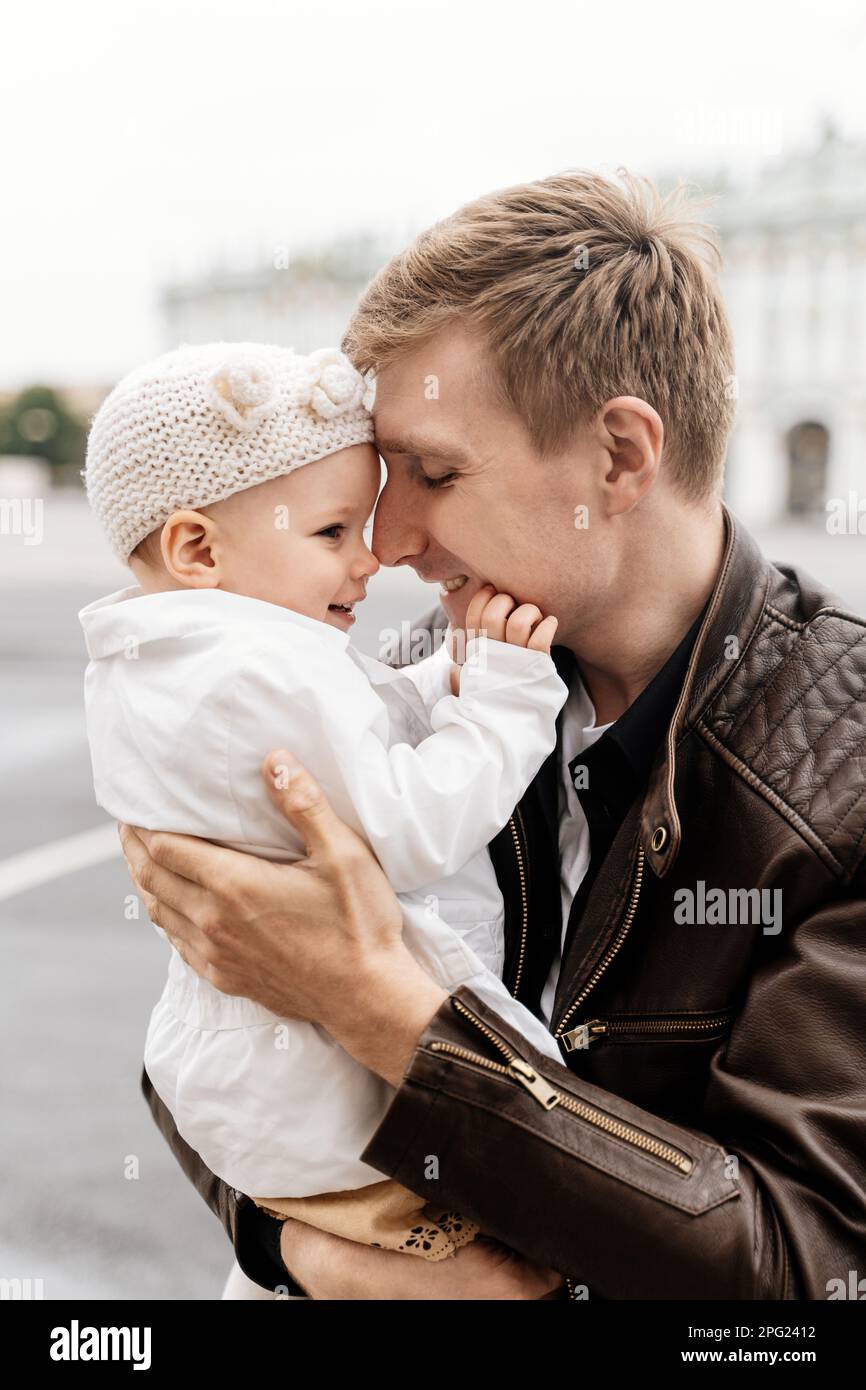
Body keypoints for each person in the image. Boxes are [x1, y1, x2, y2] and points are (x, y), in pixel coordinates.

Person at [122, 169, 866, 1300]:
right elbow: (216, 1032)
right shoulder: (431, 671)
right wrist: (300, 1249)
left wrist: (385, 1014)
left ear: (619, 457)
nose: (388, 538)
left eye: (432, 472)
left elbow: (801, 1271)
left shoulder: (841, 765)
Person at [79, 340, 570, 1273]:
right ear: (197, 547)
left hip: (246, 1074)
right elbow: (412, 826)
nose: (372, 559)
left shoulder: (174, 657)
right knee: (516, 1258)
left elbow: (366, 723)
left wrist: (450, 671)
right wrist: (506, 697)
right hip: (331, 1091)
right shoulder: (255, 671)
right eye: (331, 534)